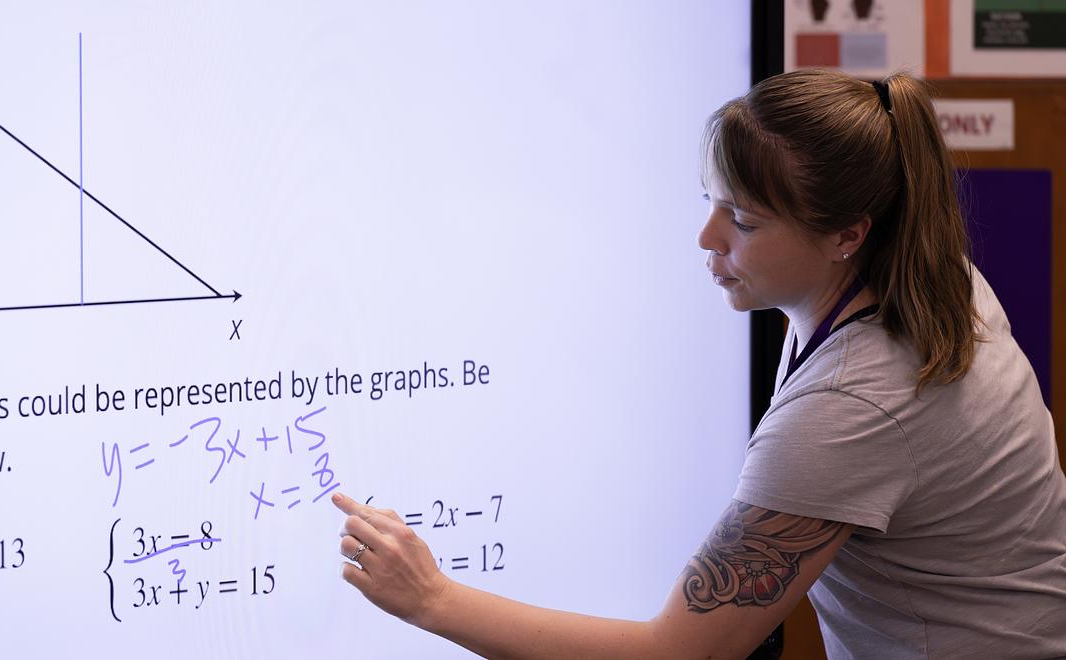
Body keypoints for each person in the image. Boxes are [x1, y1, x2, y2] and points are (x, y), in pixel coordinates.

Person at [330, 68, 1066, 659]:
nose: (706, 237)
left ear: (848, 232)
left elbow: (679, 655)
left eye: (743, 221)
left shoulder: (852, 406)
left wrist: (432, 598)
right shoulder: (932, 275)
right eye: (713, 203)